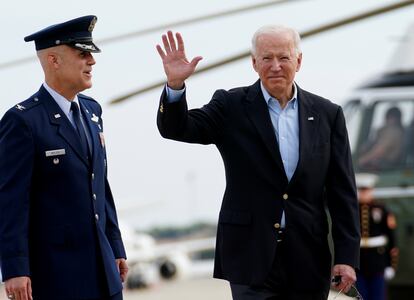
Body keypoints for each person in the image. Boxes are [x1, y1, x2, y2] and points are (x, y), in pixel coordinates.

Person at [156, 25, 360, 299]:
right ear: (254, 63)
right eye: (266, 58)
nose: (275, 66)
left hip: (308, 258)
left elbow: (342, 192)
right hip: (250, 255)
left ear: (298, 61)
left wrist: (346, 256)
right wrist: (175, 86)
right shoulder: (230, 105)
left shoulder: (327, 114)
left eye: (283, 57)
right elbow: (177, 128)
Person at [0, 16, 128, 300]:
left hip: (105, 272)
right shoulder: (23, 121)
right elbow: (11, 202)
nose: (92, 61)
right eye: (83, 54)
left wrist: (116, 248)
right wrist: (14, 268)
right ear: (54, 60)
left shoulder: (93, 112)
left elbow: (100, 186)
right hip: (57, 275)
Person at [355, 173, 398, 300]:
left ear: (372, 191)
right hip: (359, 261)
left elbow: (392, 238)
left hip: (378, 260)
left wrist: (391, 264)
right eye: (361, 190)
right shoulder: (353, 210)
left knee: (378, 295)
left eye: (366, 190)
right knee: (362, 295)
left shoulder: (382, 209)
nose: (364, 194)